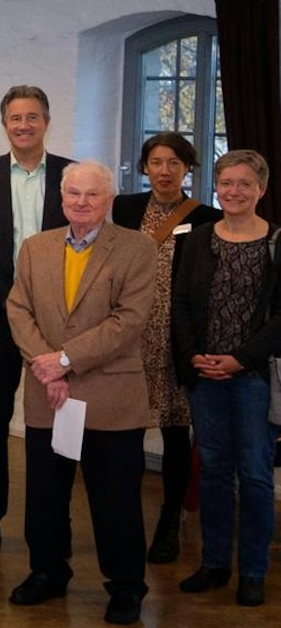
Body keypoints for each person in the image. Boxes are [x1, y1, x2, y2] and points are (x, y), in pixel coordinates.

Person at [4, 160, 155, 625]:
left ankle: (126, 586)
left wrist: (65, 359)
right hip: (49, 395)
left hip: (110, 397)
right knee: (45, 496)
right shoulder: (35, 248)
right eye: (74, 194)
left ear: (108, 200)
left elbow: (128, 321)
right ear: (62, 198)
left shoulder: (137, 248)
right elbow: (18, 308)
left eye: (92, 195)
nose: (82, 203)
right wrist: (47, 367)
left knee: (116, 501)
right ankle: (48, 571)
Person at [0, 85, 74, 557]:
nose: (23, 125)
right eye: (15, 118)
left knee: (55, 429)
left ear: (46, 121)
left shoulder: (69, 175)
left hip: (59, 324)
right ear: (4, 125)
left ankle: (53, 524)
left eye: (32, 117)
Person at [170, 150, 278, 608]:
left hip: (252, 376)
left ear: (261, 189)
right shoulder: (195, 240)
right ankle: (214, 563)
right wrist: (196, 355)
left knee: (254, 475)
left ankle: (252, 570)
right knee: (213, 471)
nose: (234, 191)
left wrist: (238, 358)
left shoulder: (276, 242)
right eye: (226, 182)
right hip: (204, 375)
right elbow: (181, 304)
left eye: (244, 184)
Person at [112, 131, 223, 563]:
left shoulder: (208, 216)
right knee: (127, 432)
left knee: (177, 434)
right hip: (130, 336)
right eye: (156, 162)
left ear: (187, 169)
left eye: (174, 163)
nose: (164, 171)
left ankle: (169, 520)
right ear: (144, 167)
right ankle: (126, 518)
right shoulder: (124, 208)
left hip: (177, 338)